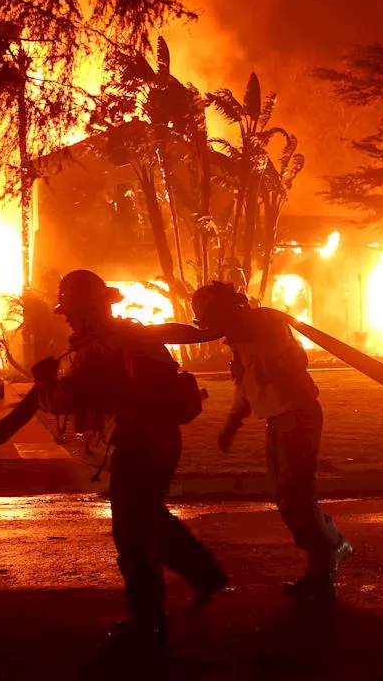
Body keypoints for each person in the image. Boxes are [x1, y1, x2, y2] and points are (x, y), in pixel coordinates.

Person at [33, 269, 229, 644]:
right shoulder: (134, 333)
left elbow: (60, 401)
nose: (68, 317)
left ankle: (150, 620)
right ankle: (205, 574)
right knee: (148, 514)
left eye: (71, 310)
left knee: (132, 534)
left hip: (140, 443)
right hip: (163, 439)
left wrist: (44, 381)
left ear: (87, 308)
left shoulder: (94, 350)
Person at [191, 281, 353, 602]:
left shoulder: (266, 325)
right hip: (279, 420)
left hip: (296, 416)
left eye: (215, 319)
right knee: (286, 496)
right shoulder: (241, 339)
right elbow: (247, 387)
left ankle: (325, 567)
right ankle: (330, 549)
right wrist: (232, 424)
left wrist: (240, 336)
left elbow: (285, 364)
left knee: (297, 498)